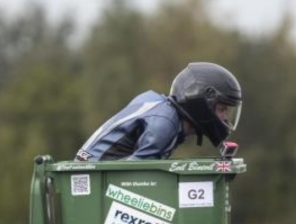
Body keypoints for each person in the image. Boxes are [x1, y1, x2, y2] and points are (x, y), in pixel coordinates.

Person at [74, 62, 242, 161]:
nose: (225, 117)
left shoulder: (159, 105)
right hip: (93, 181)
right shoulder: (164, 124)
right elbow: (139, 178)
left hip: (91, 173)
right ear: (203, 103)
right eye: (222, 109)